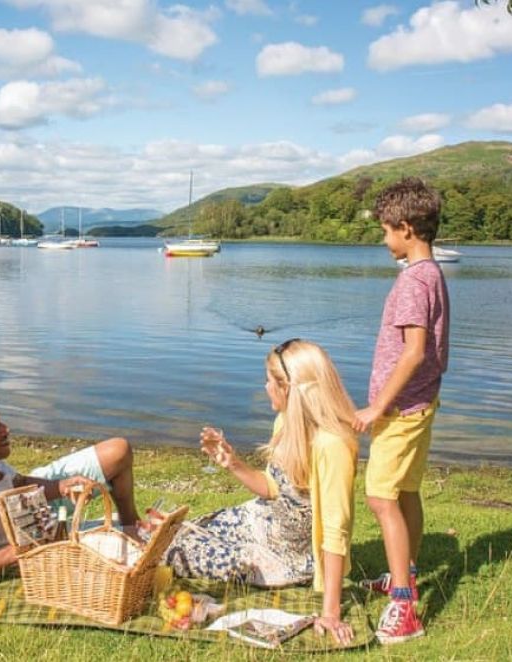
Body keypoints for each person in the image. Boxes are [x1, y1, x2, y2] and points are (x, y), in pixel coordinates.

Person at [164, 339, 358, 645]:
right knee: (174, 531)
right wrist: (233, 463)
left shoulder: (332, 446)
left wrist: (331, 612)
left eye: (270, 380)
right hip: (258, 521)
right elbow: (272, 488)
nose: (265, 386)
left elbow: (336, 531)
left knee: (176, 553)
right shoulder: (286, 422)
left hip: (282, 556)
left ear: (289, 388)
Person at [352, 177, 450, 645]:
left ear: (406, 228)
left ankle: (404, 606)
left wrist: (376, 407)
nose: (383, 239)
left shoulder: (414, 281)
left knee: (380, 497)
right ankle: (402, 572)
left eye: (386, 230)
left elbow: (413, 351)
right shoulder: (431, 274)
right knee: (406, 491)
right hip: (421, 403)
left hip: (402, 408)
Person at [0, 387, 138, 589]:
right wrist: (19, 550)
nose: (6, 430)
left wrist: (61, 486)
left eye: (0, 422)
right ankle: (133, 532)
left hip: (30, 502)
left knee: (118, 450)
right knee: (140, 541)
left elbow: (17, 482)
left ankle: (132, 522)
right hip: (31, 536)